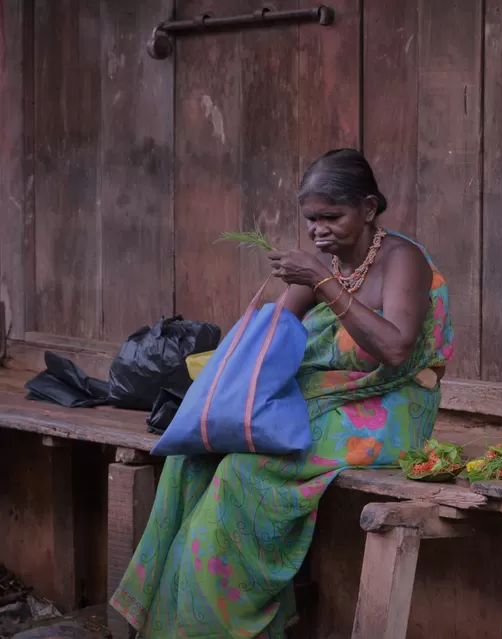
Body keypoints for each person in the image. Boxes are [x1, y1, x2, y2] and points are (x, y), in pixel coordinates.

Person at [110, 149, 454, 638]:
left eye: (332, 217)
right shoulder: (331, 264)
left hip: (386, 413)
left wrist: (322, 281)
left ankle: (228, 623)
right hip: (321, 403)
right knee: (193, 457)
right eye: (312, 218)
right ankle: (171, 620)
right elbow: (271, 330)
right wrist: (218, 395)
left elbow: (396, 348)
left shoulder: (403, 261)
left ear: (370, 208)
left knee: (243, 470)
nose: (319, 229)